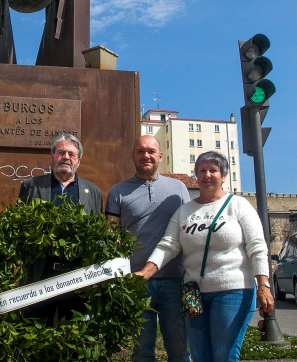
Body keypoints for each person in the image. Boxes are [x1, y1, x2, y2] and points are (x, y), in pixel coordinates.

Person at [135, 151, 273, 362]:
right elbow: (168, 245)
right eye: (202, 170)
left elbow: (257, 246)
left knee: (223, 355)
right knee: (199, 356)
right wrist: (146, 272)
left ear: (224, 176)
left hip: (232, 291)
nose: (207, 175)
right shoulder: (185, 211)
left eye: (213, 170)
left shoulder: (238, 205)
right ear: (196, 175)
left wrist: (263, 284)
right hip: (194, 294)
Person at [106, 134, 191, 362]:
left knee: (180, 349)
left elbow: (188, 230)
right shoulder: (118, 192)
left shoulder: (178, 189)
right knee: (142, 351)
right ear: (133, 155)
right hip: (136, 281)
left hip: (174, 279)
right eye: (141, 151)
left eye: (151, 151)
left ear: (160, 156)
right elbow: (111, 235)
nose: (146, 156)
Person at [17, 133, 103, 324]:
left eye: (71, 154)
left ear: (78, 161)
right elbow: (19, 230)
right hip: (40, 275)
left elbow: (98, 234)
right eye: (61, 152)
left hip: (77, 279)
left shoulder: (93, 192)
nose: (66, 157)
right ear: (52, 156)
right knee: (35, 336)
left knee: (73, 341)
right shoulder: (31, 187)